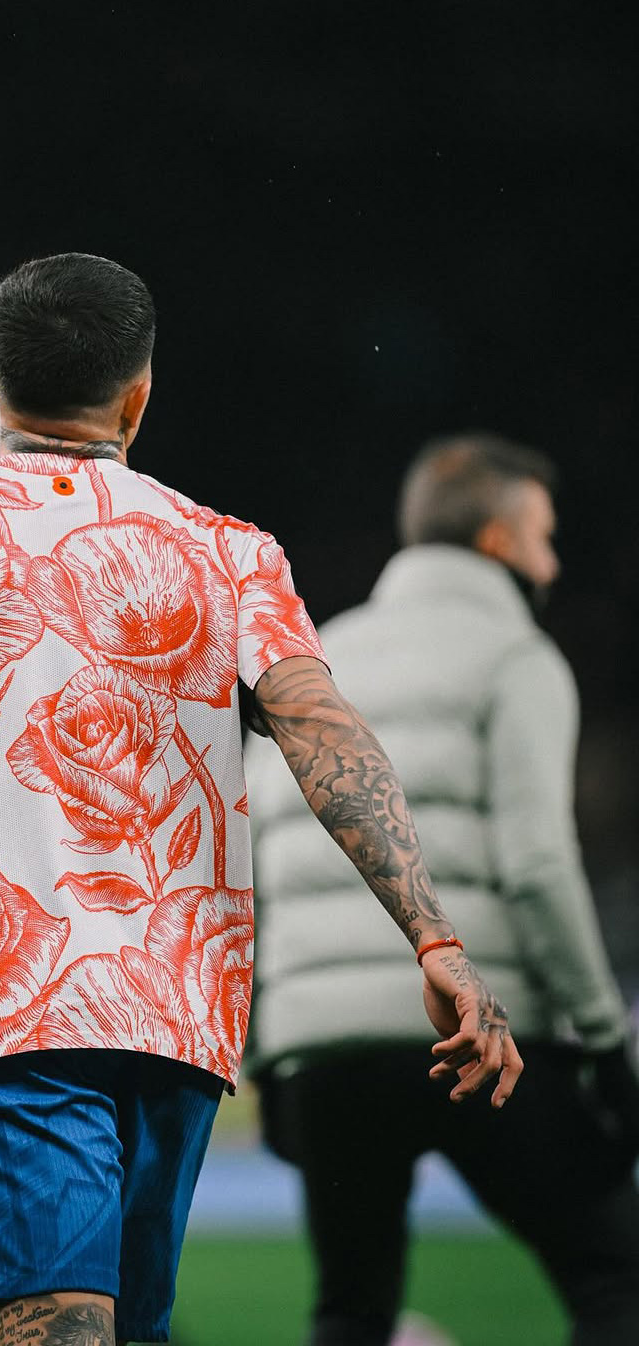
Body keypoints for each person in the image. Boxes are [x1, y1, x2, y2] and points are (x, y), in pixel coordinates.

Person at [0, 254, 521, 1346]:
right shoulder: (232, 553)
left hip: (3, 1016)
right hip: (175, 1025)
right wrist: (434, 935)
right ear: (138, 393)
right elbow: (327, 734)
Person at [244, 432, 639, 1346]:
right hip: (480, 1032)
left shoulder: (318, 657)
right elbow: (538, 864)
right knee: (613, 1275)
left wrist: (273, 1051)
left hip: (324, 1050)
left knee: (352, 1308)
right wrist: (605, 1038)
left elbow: (260, 866)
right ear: (499, 542)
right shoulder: (516, 657)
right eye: (543, 535)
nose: (554, 559)